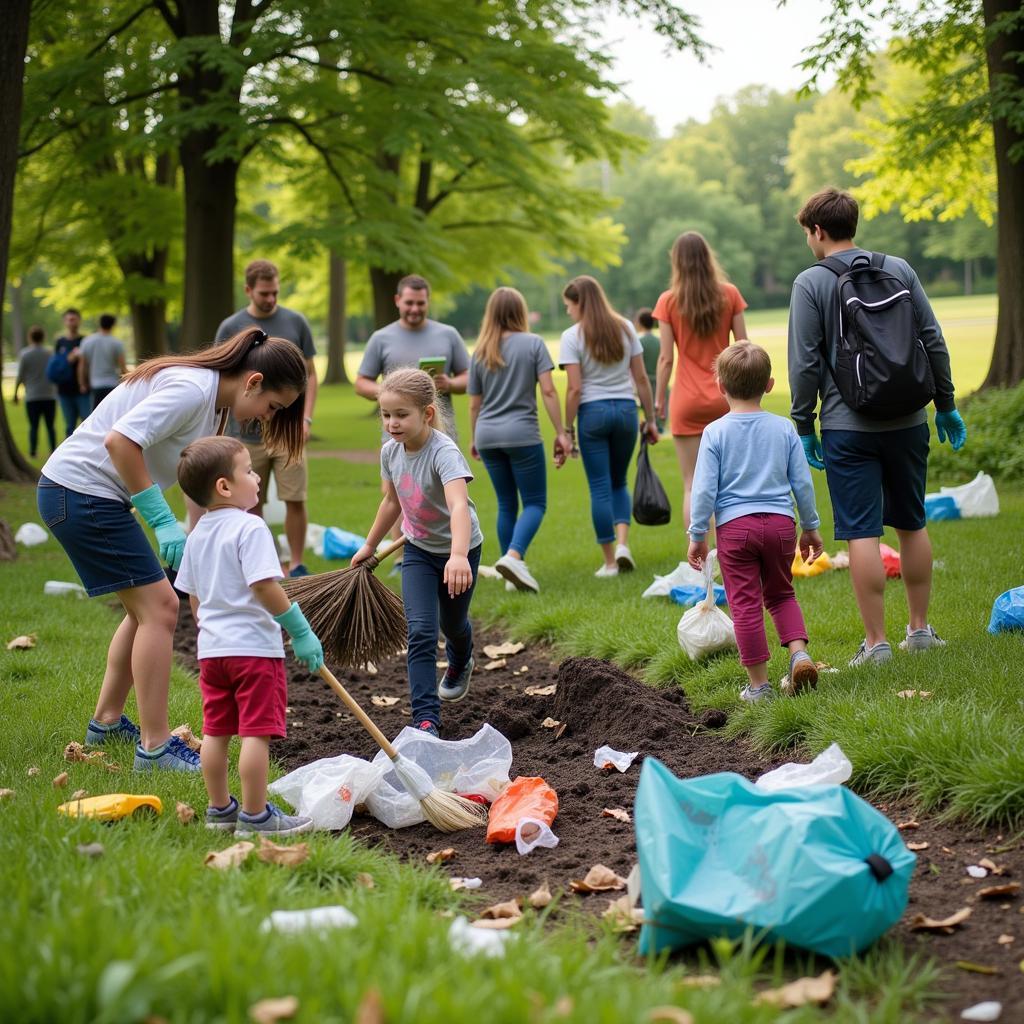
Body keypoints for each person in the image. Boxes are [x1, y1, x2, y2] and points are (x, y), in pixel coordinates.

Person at [38, 327, 307, 771]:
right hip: (80, 493)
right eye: (271, 406)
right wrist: (160, 520)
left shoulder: (213, 405)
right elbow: (119, 442)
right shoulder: (191, 389)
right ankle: (156, 746)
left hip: (85, 495)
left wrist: (200, 544)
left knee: (144, 609)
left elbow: (194, 482)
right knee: (161, 608)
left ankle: (106, 722)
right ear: (254, 382)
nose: (264, 417)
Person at [788, 187, 966, 667]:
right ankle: (921, 630)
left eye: (808, 233)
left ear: (818, 231)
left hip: (849, 426)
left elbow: (804, 365)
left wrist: (804, 424)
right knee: (912, 522)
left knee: (861, 532)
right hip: (910, 419)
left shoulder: (811, 282)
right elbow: (933, 339)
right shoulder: (899, 268)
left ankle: (876, 643)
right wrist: (945, 404)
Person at [175, 435, 323, 835]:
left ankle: (220, 810)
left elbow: (193, 597)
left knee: (216, 733)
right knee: (257, 734)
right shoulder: (250, 527)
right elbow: (264, 585)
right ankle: (257, 816)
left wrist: (212, 631)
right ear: (225, 486)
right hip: (255, 652)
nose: (258, 477)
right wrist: (299, 629)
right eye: (249, 470)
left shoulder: (197, 533)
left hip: (213, 652)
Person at [350, 369, 483, 737]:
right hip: (419, 551)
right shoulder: (390, 452)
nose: (392, 423)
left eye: (401, 415)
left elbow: (458, 507)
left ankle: (460, 661)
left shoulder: (444, 452)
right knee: (422, 631)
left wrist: (457, 557)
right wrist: (369, 545)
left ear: (426, 413)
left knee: (453, 625)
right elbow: (392, 502)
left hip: (461, 550)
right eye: (386, 415)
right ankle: (426, 719)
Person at [687, 343, 823, 702]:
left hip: (735, 529)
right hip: (780, 524)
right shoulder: (783, 429)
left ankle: (759, 687)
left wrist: (697, 534)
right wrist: (810, 527)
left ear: (720, 386)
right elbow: (802, 484)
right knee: (781, 593)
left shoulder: (715, 432)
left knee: (745, 603)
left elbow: (703, 491)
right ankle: (799, 654)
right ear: (769, 384)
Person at [355, 275, 470, 570]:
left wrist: (451, 382)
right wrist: (394, 400)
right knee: (401, 494)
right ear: (397, 301)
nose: (415, 309)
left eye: (420, 303)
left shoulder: (448, 334)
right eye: (409, 303)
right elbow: (361, 382)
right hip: (398, 439)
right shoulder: (381, 338)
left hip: (439, 433)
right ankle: (403, 557)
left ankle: (449, 550)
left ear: (428, 302)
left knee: (442, 495)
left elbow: (469, 378)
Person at [214, 259, 318, 577]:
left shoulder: (295, 322)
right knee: (250, 502)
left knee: (294, 498)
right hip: (245, 432)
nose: (270, 299)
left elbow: (310, 375)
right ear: (248, 290)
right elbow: (223, 377)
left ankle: (297, 564)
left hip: (288, 430)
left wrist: (306, 419)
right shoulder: (231, 327)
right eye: (263, 294)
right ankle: (269, 565)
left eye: (274, 292)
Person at [468, 287, 572, 594]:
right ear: (520, 312)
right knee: (536, 502)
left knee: (506, 503)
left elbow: (474, 403)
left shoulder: (480, 350)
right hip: (522, 434)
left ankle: (510, 573)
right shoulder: (534, 344)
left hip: (487, 435)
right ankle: (513, 557)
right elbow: (549, 391)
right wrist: (562, 432)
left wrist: (475, 437)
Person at [560, 275, 659, 577]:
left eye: (569, 305)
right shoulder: (626, 328)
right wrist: (651, 420)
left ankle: (610, 562)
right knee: (619, 482)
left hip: (593, 414)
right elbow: (641, 378)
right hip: (627, 412)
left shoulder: (572, 336)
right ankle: (623, 544)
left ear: (580, 303)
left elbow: (575, 389)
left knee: (600, 488)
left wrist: (567, 429)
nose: (568, 311)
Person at [653, 232, 748, 539]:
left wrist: (658, 401)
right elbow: (744, 348)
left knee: (692, 483)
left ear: (677, 262)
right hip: (726, 398)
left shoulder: (668, 301)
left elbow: (666, 359)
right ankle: (735, 556)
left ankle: (701, 561)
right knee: (732, 482)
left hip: (686, 401)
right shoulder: (729, 294)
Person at [13, 325, 57, 457]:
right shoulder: (50, 353)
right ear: (43, 337)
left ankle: (33, 451)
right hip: (49, 395)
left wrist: (16, 393)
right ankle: (53, 450)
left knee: (34, 426)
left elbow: (20, 375)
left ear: (30, 337)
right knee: (50, 426)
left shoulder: (25, 354)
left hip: (32, 395)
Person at [52, 308, 91, 437]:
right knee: (70, 426)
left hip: (83, 390)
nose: (72, 322)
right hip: (64, 390)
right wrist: (68, 360)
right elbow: (56, 364)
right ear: (65, 322)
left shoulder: (85, 341)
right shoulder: (60, 342)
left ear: (79, 321)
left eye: (74, 319)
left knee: (87, 423)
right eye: (69, 319)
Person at [79, 313, 127, 410]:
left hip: (95, 385)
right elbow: (122, 367)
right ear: (113, 325)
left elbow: (82, 365)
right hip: (112, 384)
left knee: (96, 416)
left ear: (99, 323)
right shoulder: (117, 343)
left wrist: (82, 384)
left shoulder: (87, 341)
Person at [634, 309, 665, 433]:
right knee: (659, 410)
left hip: (644, 381)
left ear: (640, 323)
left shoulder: (639, 342)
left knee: (647, 409)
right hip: (659, 380)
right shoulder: (660, 341)